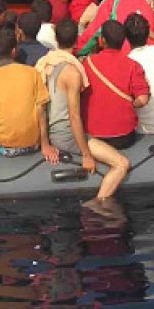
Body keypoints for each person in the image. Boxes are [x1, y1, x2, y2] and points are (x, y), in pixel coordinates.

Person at [45, 19, 130, 199]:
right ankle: (98, 205)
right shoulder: (73, 73)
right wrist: (86, 155)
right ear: (76, 40)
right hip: (67, 135)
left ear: (56, 39)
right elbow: (74, 117)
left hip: (53, 132)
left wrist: (44, 143)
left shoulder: (46, 64)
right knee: (121, 164)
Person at [0, 29, 51, 156]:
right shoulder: (32, 73)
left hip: (2, 144)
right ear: (14, 51)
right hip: (32, 143)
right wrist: (45, 144)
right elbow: (42, 110)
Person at [81, 21, 151, 152]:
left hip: (93, 136)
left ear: (102, 40)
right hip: (124, 136)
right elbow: (143, 99)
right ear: (123, 40)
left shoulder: (87, 63)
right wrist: (127, 105)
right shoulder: (133, 65)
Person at [77, 0, 154, 55]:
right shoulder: (148, 4)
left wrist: (77, 50)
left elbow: (93, 33)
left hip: (123, 58)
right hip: (149, 56)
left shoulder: (112, 1)